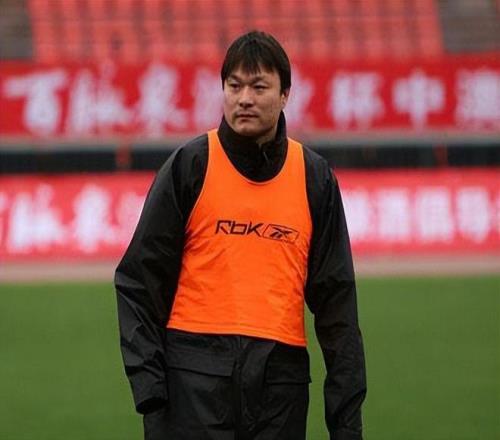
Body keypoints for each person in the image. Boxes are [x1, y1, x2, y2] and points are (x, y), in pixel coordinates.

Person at [115, 30, 366, 440]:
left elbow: (338, 307)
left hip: (281, 389)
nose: (244, 98)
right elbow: (139, 283)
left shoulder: (314, 178)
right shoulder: (190, 166)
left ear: (285, 94)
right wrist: (152, 397)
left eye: (258, 87)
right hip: (193, 383)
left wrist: (346, 424)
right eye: (234, 86)